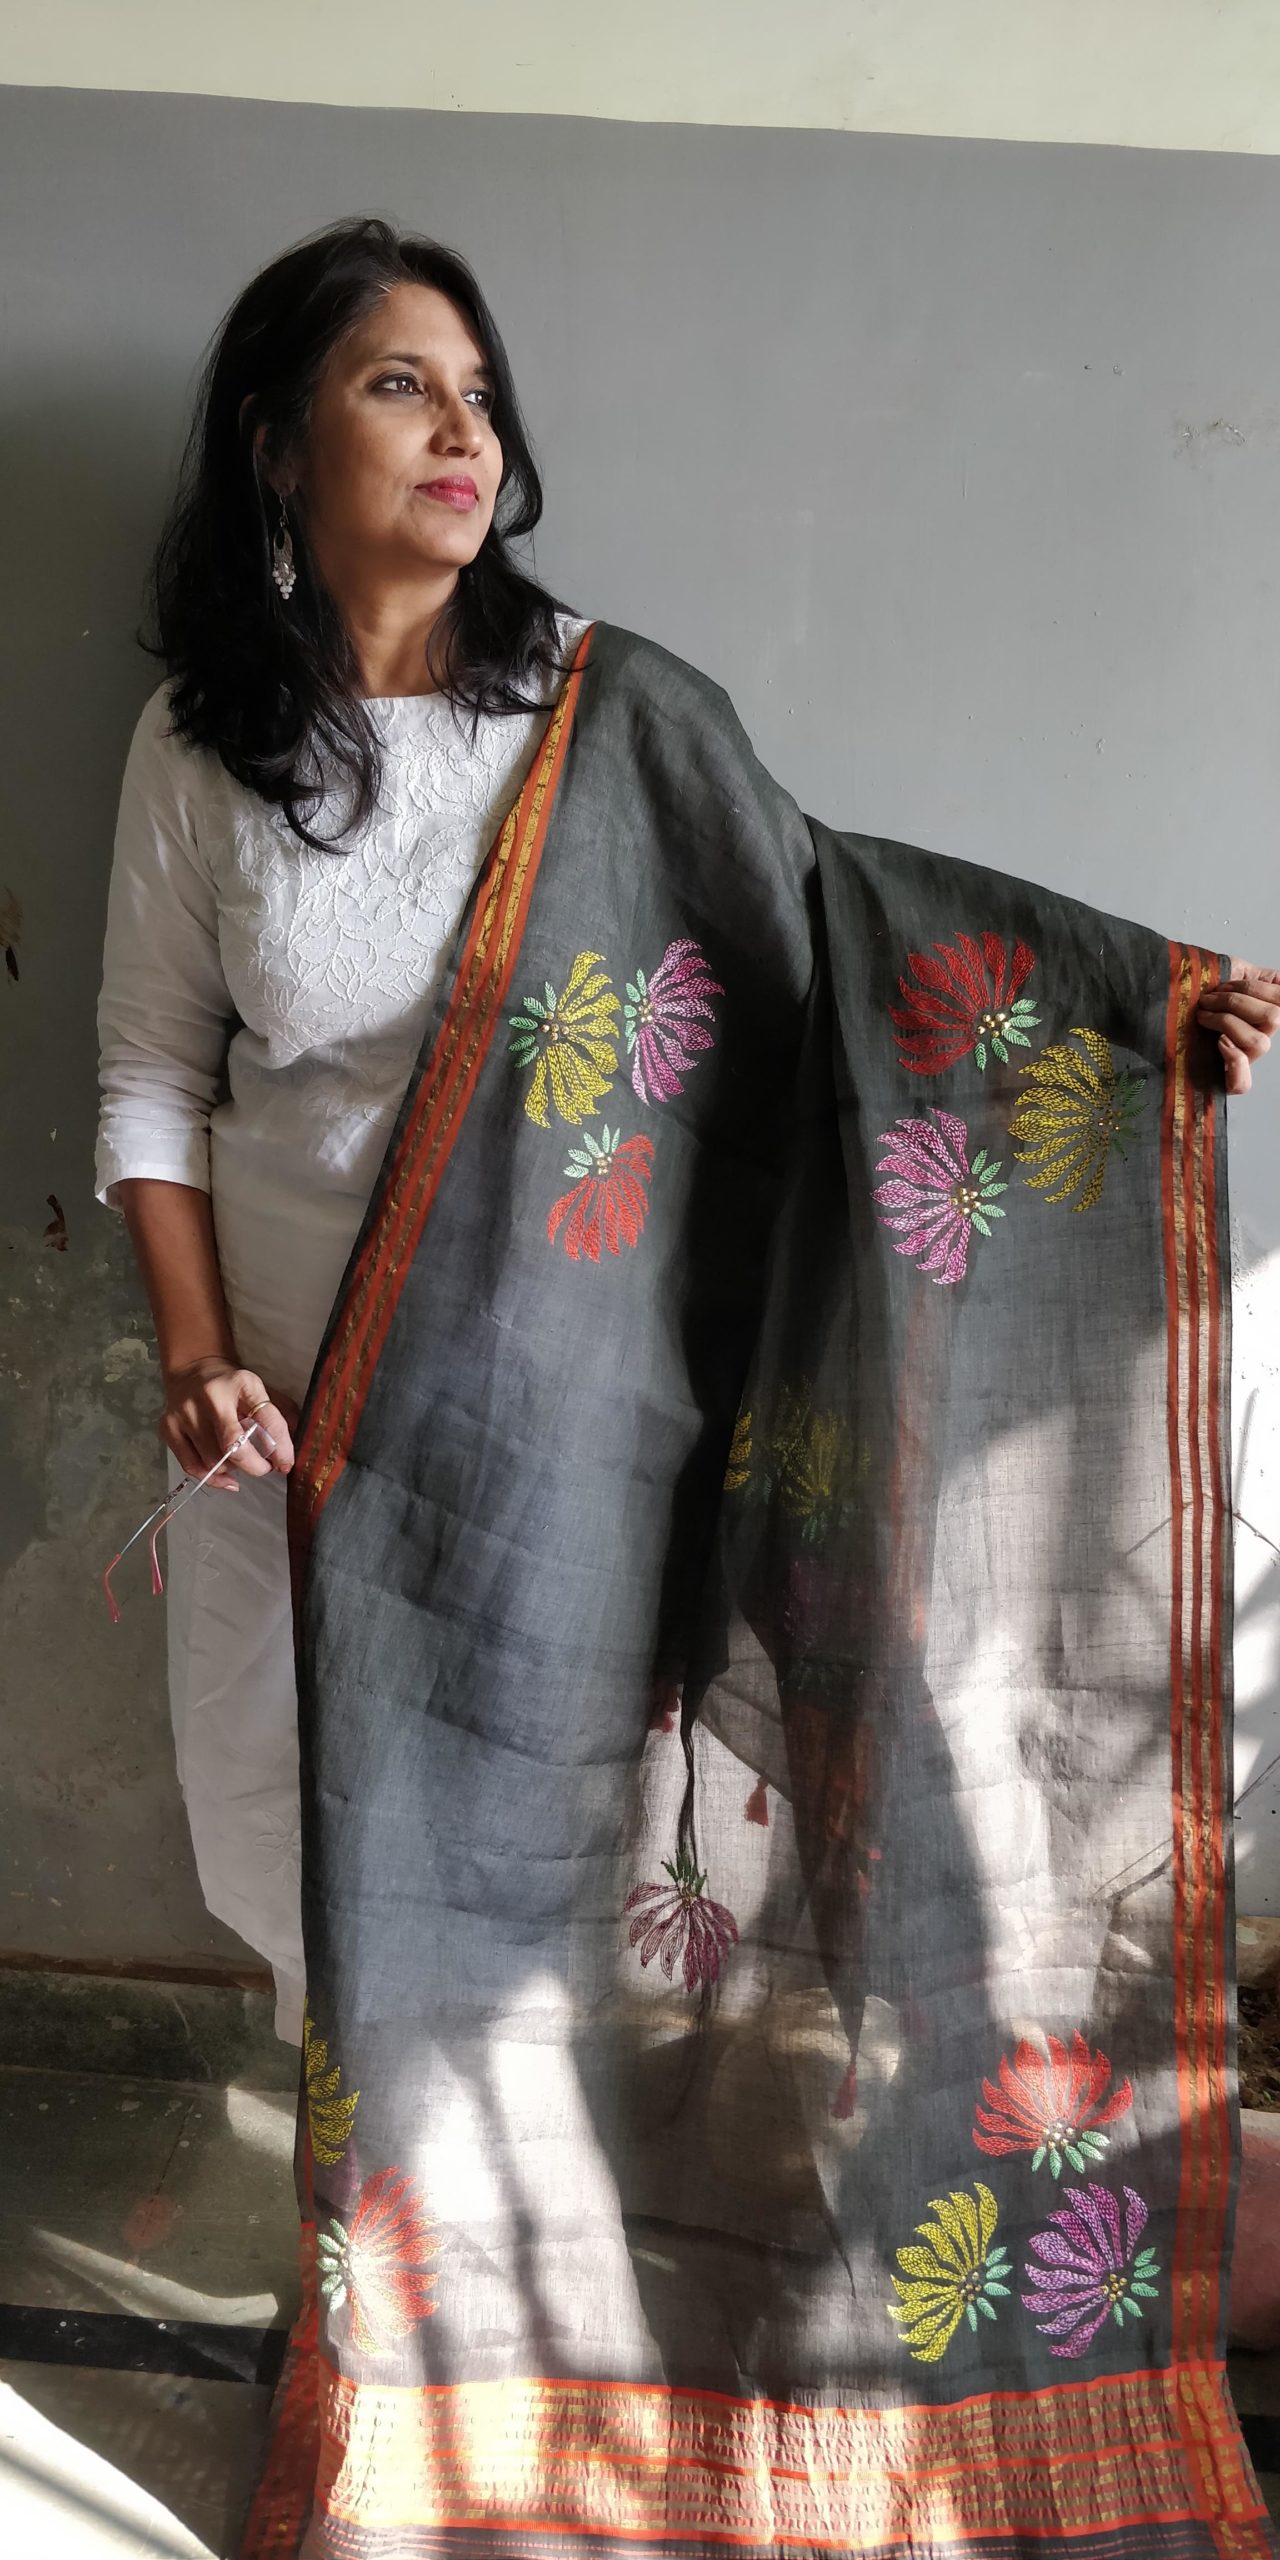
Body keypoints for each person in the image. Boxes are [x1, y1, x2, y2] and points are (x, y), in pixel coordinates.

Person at [96, 220, 1280, 2558]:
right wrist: (198, 1350)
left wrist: (1119, 1000)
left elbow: (831, 928)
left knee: (499, 1907)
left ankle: (472, 2357)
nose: (463, 430)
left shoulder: (602, 716)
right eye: (400, 384)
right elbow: (149, 1066)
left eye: (478, 390)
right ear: (276, 440)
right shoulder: (199, 744)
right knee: (291, 1867)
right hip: (283, 1437)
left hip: (543, 1445)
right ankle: (386, 2311)